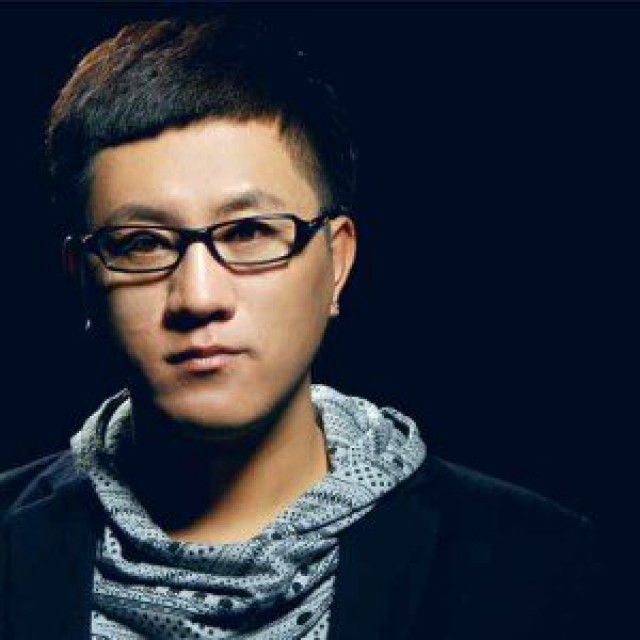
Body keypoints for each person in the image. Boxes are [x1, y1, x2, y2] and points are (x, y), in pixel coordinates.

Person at [0, 12, 601, 640]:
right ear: (82, 277)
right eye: (142, 243)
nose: (198, 297)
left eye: (250, 232)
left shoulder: (533, 567)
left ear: (336, 262)